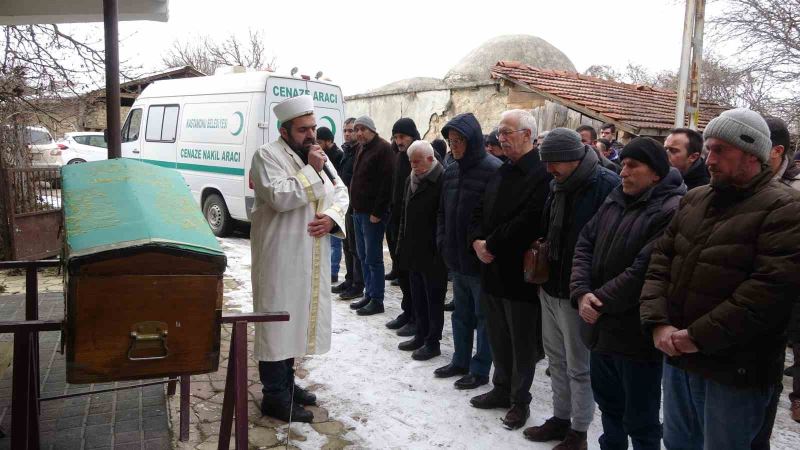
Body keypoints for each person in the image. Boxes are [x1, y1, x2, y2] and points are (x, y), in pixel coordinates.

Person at [640, 108, 800, 449]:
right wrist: (658, 324)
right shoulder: (695, 198)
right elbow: (660, 262)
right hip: (680, 358)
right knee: (678, 443)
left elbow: (768, 292)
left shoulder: (786, 208)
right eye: (708, 149)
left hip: (734, 372)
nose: (709, 159)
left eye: (719, 150)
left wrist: (696, 336)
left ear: (752, 153)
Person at [572, 137, 685, 450]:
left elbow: (644, 269)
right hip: (599, 326)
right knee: (609, 406)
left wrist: (600, 300)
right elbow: (585, 242)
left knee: (641, 418)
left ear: (657, 173)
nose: (623, 172)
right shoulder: (615, 198)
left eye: (633, 166)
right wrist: (582, 292)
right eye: (622, 165)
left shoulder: (671, 209)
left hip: (634, 334)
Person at [250, 95, 349, 422]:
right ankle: (274, 396)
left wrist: (333, 217)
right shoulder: (266, 156)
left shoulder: (316, 156)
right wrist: (311, 171)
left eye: (313, 128)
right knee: (277, 324)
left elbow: (340, 191)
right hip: (280, 255)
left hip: (310, 253)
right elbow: (279, 196)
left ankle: (287, 385)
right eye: (303, 129)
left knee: (297, 322)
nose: (310, 135)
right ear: (284, 130)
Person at [524, 128, 619, 449]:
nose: (549, 169)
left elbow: (607, 244)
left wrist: (590, 289)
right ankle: (560, 418)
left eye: (554, 163)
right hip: (550, 286)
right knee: (556, 360)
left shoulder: (605, 185)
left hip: (578, 292)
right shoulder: (558, 184)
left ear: (573, 158)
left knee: (579, 366)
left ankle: (579, 430)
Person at [468, 109, 551, 430]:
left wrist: (490, 244)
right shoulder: (500, 171)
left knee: (521, 342)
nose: (500, 138)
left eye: (507, 132)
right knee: (497, 336)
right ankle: (500, 389)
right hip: (491, 270)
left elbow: (529, 220)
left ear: (528, 135)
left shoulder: (542, 175)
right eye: (499, 132)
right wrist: (476, 240)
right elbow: (478, 211)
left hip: (519, 273)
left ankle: (520, 401)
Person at [434, 112, 501, 391]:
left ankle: (480, 368)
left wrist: (484, 245)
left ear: (472, 140)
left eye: (459, 140)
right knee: (460, 314)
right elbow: (441, 212)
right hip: (455, 258)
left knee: (483, 317)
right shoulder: (450, 169)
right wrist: (442, 240)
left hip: (480, 260)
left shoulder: (493, 169)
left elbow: (496, 216)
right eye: (451, 141)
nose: (455, 146)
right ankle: (459, 360)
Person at [395, 140, 448, 360]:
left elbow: (443, 217)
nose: (413, 166)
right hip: (413, 249)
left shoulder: (442, 180)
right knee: (417, 296)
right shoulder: (412, 179)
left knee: (433, 300)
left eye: (417, 162)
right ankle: (420, 333)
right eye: (411, 162)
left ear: (430, 158)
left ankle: (432, 342)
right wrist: (401, 243)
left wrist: (440, 247)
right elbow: (405, 215)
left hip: (433, 252)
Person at [348, 116, 395, 316]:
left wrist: (378, 212)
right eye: (356, 129)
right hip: (358, 212)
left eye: (363, 129)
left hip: (372, 215)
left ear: (372, 129)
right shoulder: (361, 148)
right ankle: (369, 293)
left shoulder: (383, 148)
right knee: (363, 255)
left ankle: (377, 299)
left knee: (373, 257)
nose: (359, 133)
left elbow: (387, 183)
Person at [385, 118, 421, 337]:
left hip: (413, 228)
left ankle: (417, 317)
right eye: (396, 137)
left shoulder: (419, 155)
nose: (399, 141)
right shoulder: (399, 157)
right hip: (396, 223)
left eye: (403, 137)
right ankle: (407, 312)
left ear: (412, 136)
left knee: (413, 277)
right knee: (403, 274)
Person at [333, 118, 366, 300]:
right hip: (344, 205)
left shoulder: (359, 151)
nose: (347, 134)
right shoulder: (346, 151)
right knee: (347, 245)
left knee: (355, 248)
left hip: (355, 205)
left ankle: (358, 284)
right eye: (345, 130)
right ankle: (350, 279)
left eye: (351, 130)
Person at [317, 126, 345, 283]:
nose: (317, 144)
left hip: (335, 204)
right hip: (326, 203)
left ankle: (333, 271)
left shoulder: (338, 156)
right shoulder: (322, 155)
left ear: (329, 141)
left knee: (335, 243)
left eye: (319, 141)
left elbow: (338, 183)